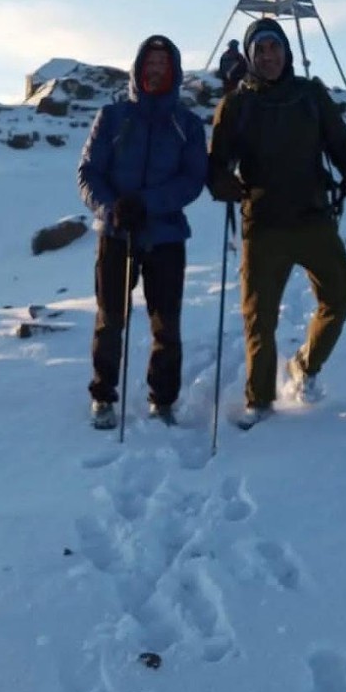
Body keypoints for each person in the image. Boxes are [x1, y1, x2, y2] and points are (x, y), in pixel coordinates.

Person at [208, 18, 346, 428]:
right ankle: (259, 400)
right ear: (249, 57)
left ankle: (305, 364)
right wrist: (220, 182)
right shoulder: (236, 105)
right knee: (259, 317)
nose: (268, 57)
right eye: (260, 50)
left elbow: (339, 143)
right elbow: (216, 163)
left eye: (274, 48)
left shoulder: (311, 95)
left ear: (287, 51)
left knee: (341, 292)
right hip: (262, 224)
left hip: (313, 217)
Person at [77, 34, 207, 429]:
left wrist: (147, 204)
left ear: (174, 72)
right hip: (115, 233)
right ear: (137, 68)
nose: (155, 70)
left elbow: (193, 179)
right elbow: (88, 174)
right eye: (149, 63)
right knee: (110, 317)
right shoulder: (113, 116)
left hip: (166, 236)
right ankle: (103, 396)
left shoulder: (186, 124)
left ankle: (163, 400)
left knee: (165, 322)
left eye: (162, 65)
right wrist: (112, 208)